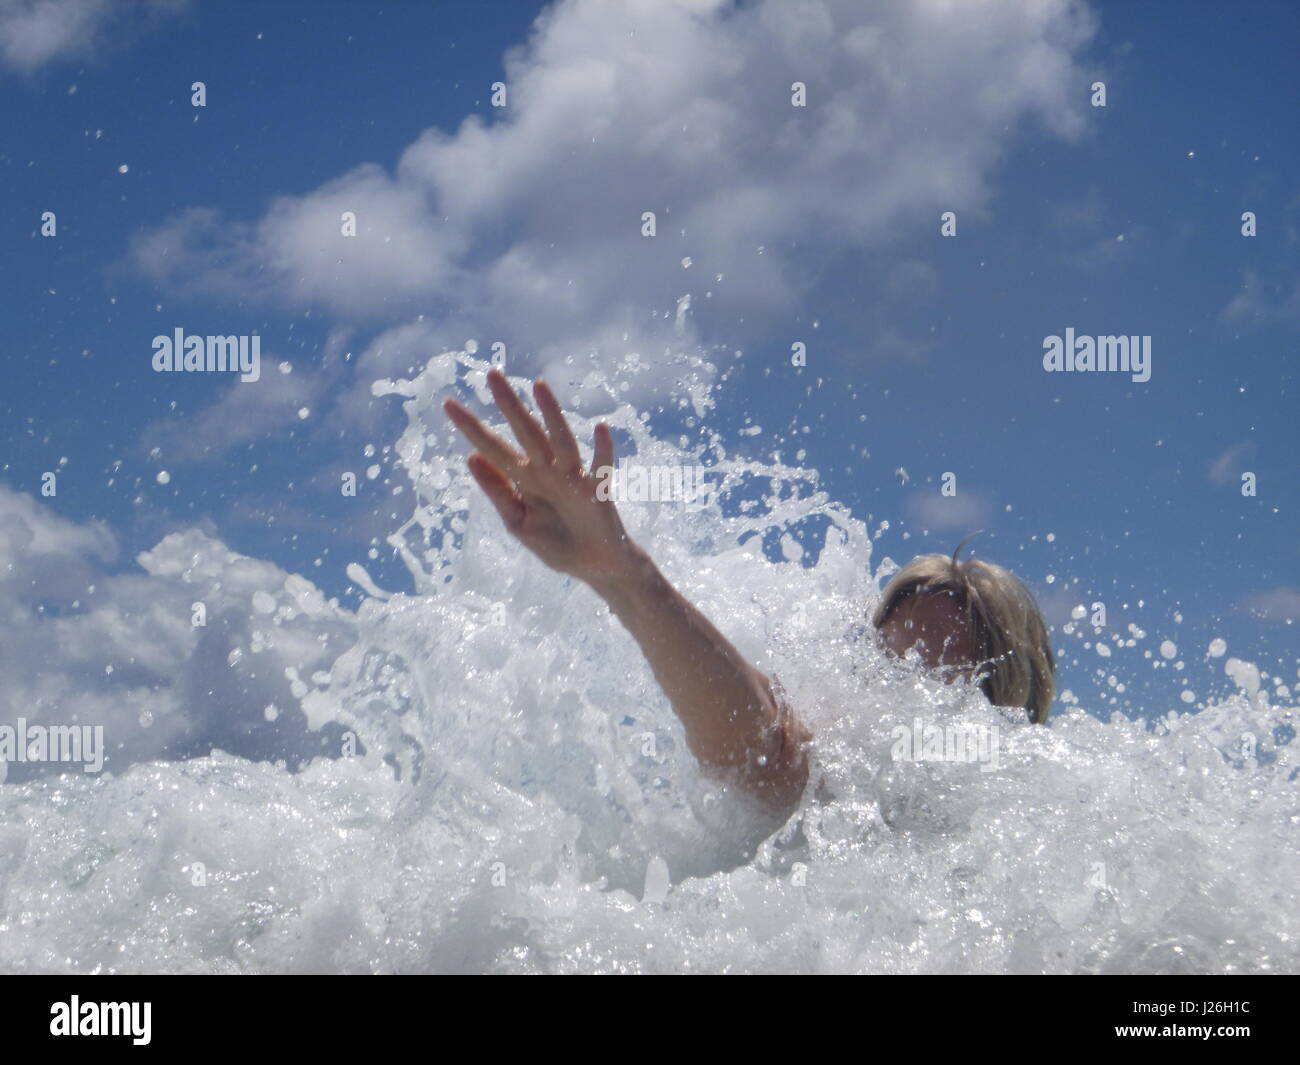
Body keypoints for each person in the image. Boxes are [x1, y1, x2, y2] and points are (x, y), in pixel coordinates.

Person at [444, 369, 1055, 819]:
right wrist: (625, 577)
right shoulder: (849, 792)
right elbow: (763, 749)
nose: (899, 693)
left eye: (931, 675)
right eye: (889, 663)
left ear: (1007, 704)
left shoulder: (1044, 828)